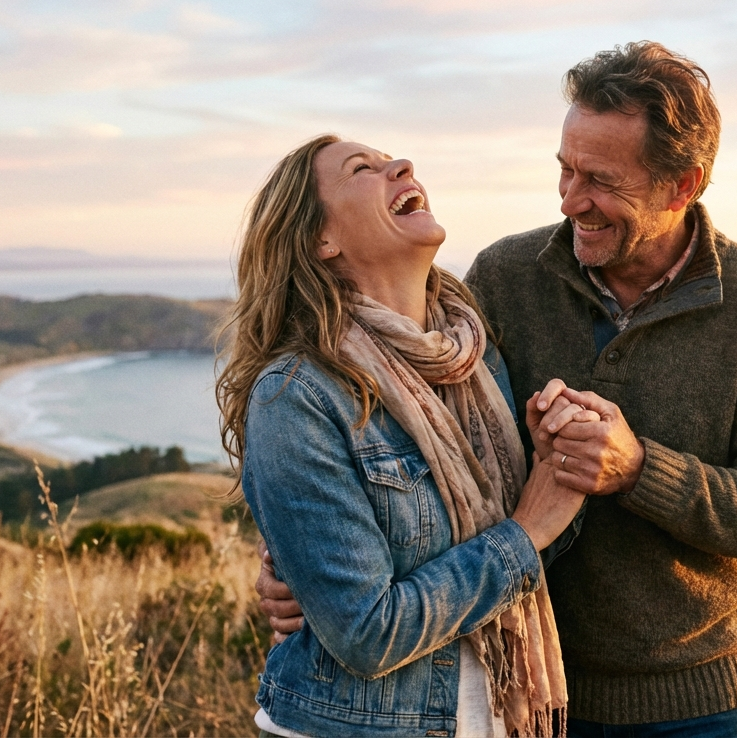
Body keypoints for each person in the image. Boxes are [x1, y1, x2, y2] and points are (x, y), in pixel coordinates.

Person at [259, 42, 737, 736]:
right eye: (565, 169)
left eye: (602, 181)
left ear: (682, 185)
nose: (570, 199)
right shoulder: (501, 278)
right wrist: (300, 573)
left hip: (698, 704)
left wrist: (639, 469)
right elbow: (418, 452)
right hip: (526, 694)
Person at [218, 134, 599, 737]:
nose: (401, 165)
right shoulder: (297, 395)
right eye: (361, 169)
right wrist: (528, 530)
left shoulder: (472, 359)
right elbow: (368, 633)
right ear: (322, 239)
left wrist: (557, 462)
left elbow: (526, 551)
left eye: (392, 158)